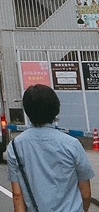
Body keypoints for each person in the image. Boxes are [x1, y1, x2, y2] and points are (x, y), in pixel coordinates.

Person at [7, 84, 93, 212]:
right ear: (56, 108)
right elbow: (85, 194)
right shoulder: (72, 144)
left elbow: (18, 196)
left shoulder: (15, 146)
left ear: (27, 110)